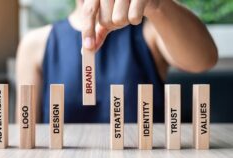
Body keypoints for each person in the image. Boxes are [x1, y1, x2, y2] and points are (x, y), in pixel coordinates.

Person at [16, 0, 218, 123]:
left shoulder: (151, 31)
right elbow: (26, 135)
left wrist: (158, 5)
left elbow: (203, 60)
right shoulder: (35, 44)